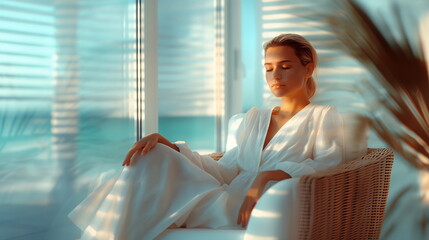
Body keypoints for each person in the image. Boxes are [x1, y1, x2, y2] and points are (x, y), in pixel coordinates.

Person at [68, 33, 344, 240]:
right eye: (269, 67)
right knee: (154, 156)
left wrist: (267, 176)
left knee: (141, 193)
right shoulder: (254, 118)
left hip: (261, 205)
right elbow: (225, 170)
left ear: (307, 68)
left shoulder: (323, 116)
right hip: (222, 197)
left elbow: (329, 165)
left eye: (285, 66)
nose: (275, 75)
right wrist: (170, 146)